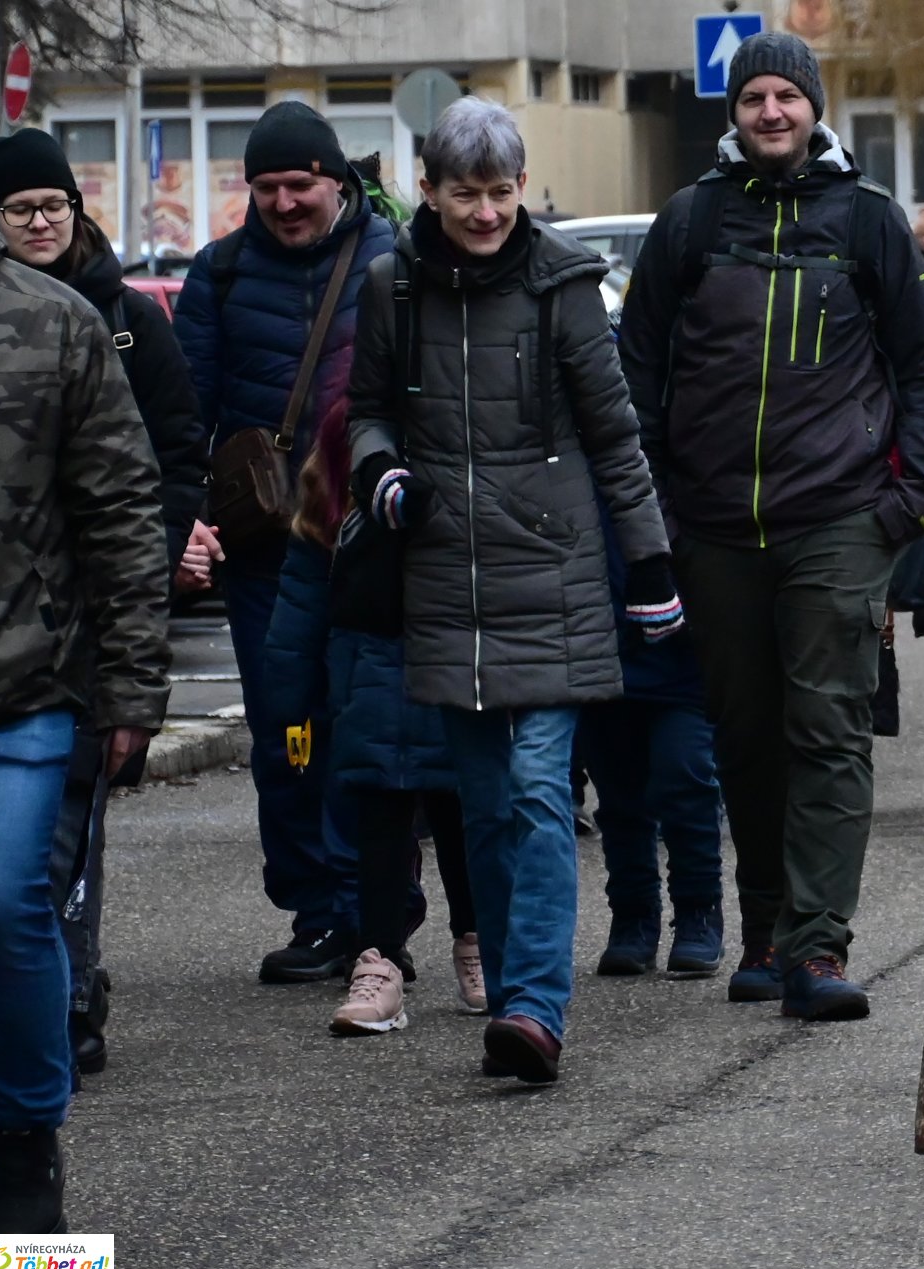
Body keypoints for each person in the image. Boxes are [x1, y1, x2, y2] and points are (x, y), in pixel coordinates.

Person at [617, 32, 924, 1021]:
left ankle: (818, 946)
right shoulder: (690, 223)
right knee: (748, 735)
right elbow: (633, 376)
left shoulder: (866, 221)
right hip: (714, 529)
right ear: (735, 111)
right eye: (755, 96)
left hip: (838, 520)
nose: (772, 111)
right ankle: (762, 925)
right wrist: (660, 512)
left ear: (815, 109)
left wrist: (907, 504)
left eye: (787, 97)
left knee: (830, 731)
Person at [347, 98, 679, 1083]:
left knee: (538, 792)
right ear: (430, 190)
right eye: (465, 193)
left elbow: (616, 435)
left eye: (500, 192)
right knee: (486, 805)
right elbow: (365, 412)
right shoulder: (390, 288)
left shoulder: (564, 286)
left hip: (555, 573)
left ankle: (535, 1006)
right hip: (444, 577)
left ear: (521, 186)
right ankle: (513, 974)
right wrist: (381, 475)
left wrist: (650, 562)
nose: (486, 211)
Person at [0, 126, 206, 1079]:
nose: (39, 221)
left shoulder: (83, 322)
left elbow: (140, 485)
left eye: (52, 206)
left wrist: (131, 672)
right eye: (22, 208)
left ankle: (35, 1135)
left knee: (16, 884)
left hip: (36, 663)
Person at [0, 164, 171, 1231]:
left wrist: (136, 681)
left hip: (24, 681)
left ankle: (26, 1152)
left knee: (4, 899)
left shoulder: (51, 322)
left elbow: (123, 509)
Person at [173, 101, 397, 984]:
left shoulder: (392, 263)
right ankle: (316, 911)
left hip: (374, 545)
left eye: (297, 185)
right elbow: (183, 413)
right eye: (264, 189)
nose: (282, 203)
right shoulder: (219, 277)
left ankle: (378, 916)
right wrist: (183, 513)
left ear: (335, 182)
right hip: (269, 553)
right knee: (287, 730)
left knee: (372, 732)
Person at [260, 398, 484, 1037]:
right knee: (384, 829)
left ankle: (473, 945)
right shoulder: (329, 527)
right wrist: (290, 709)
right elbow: (294, 627)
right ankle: (379, 960)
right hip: (372, 689)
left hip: (437, 680)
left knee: (457, 821)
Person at [577, 534, 725, 981]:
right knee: (619, 795)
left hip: (685, 646)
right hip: (601, 642)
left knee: (686, 776)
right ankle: (633, 915)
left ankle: (699, 910)